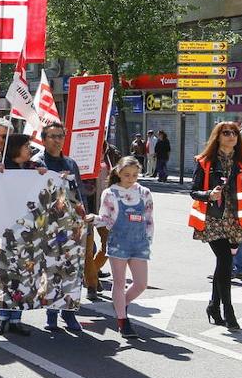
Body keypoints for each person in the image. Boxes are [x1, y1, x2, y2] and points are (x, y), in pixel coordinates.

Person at [189, 121, 242, 331]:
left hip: (234, 220)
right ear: (218, 136)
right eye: (226, 132)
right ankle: (228, 310)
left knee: (223, 263)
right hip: (212, 220)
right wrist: (209, 195)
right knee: (225, 259)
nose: (231, 136)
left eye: (234, 133)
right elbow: (193, 191)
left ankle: (213, 306)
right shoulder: (205, 161)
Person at [32, 121, 88, 333]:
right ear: (44, 139)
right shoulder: (37, 163)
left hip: (70, 225)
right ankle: (52, 313)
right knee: (51, 269)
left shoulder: (71, 163)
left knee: (72, 270)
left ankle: (69, 312)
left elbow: (79, 193)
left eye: (60, 136)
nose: (57, 140)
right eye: (52, 136)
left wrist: (83, 218)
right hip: (46, 225)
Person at [0, 133, 47, 336]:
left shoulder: (32, 169)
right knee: (7, 273)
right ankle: (1, 317)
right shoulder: (1, 167)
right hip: (6, 229)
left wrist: (44, 174)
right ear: (15, 148)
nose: (29, 150)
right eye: (26, 146)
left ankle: (16, 318)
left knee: (25, 274)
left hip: (29, 229)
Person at [92, 157, 154, 339]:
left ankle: (120, 303)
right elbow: (106, 219)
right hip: (119, 242)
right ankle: (122, 320)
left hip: (140, 243)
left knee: (141, 284)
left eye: (135, 175)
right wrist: (93, 218)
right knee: (119, 282)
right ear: (118, 172)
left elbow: (149, 219)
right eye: (127, 175)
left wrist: (148, 240)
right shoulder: (110, 193)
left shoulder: (145, 192)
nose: (131, 178)